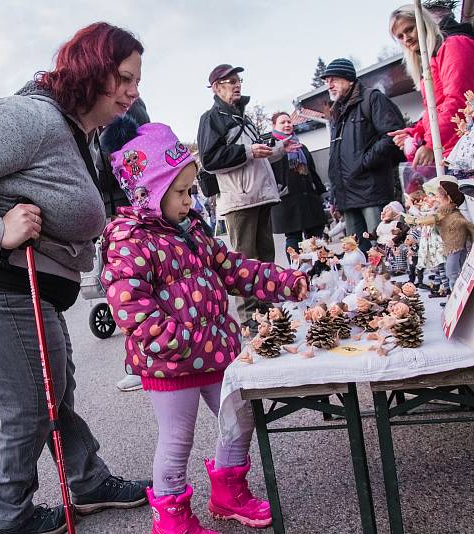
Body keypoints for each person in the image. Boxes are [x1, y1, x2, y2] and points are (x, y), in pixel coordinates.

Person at [0, 23, 150, 534]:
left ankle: (86, 480)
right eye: (125, 79)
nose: (133, 92)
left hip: (25, 277)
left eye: (136, 80)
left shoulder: (78, 134)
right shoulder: (33, 117)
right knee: (30, 402)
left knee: (54, 386)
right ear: (91, 73)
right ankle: (10, 516)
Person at [101, 120, 308, 533]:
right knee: (177, 439)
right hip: (170, 363)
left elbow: (231, 267)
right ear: (146, 194)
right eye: (178, 192)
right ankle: (172, 519)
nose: (188, 200)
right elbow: (132, 308)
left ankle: (228, 491)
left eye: (190, 189)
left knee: (239, 419)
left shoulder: (192, 228)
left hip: (214, 350)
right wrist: (178, 343)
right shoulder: (130, 239)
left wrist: (282, 281)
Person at [197, 64, 298, 322]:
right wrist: (250, 151)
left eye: (238, 80)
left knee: (265, 259)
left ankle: (270, 315)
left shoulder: (243, 116)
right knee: (244, 264)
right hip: (239, 201)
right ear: (217, 88)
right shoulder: (211, 118)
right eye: (230, 81)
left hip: (260, 195)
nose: (237, 84)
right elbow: (210, 160)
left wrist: (277, 151)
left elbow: (256, 154)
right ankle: (251, 322)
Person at [387, 4, 474, 166]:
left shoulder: (455, 45)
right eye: (400, 36)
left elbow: (459, 101)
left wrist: (432, 144)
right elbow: (435, 111)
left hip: (472, 147)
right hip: (455, 148)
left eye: (409, 29)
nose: (406, 38)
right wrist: (415, 132)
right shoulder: (432, 58)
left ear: (424, 22)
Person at [323, 58, 405, 254]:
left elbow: (392, 135)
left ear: (349, 79)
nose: (329, 85)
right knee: (358, 254)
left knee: (383, 248)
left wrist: (364, 163)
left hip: (371, 191)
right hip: (348, 196)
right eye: (327, 81)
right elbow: (336, 157)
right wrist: (335, 193)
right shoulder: (337, 113)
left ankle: (392, 283)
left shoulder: (372, 99)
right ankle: (368, 286)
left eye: (333, 79)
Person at [98, 99, 151, 393]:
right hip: (117, 212)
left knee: (135, 289)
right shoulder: (98, 114)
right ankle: (137, 363)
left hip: (133, 208)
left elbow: (113, 165)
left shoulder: (127, 110)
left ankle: (143, 363)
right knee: (127, 291)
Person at [269, 111, 328, 259]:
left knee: (315, 237)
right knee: (293, 238)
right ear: (274, 126)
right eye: (282, 122)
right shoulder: (271, 148)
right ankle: (297, 273)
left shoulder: (301, 146)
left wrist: (321, 193)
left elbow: (312, 171)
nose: (287, 124)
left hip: (308, 198)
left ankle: (319, 271)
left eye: (289, 122)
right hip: (287, 200)